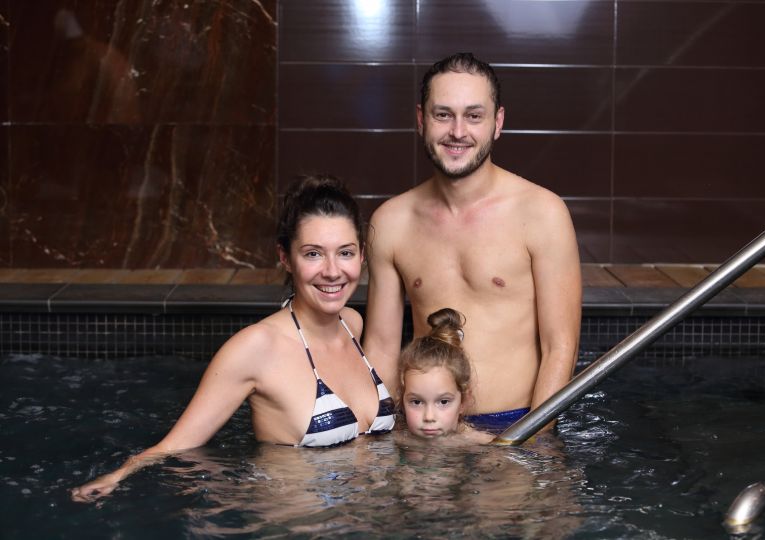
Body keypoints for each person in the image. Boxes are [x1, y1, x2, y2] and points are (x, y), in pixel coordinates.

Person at [71, 175, 395, 502]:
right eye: (313, 254)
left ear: (362, 256)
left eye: (345, 253)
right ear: (285, 257)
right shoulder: (255, 348)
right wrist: (120, 475)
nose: (332, 271)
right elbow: (177, 444)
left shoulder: (352, 324)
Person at [363, 52, 582, 432]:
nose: (458, 131)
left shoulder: (542, 213)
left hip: (516, 427)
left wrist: (526, 446)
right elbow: (381, 348)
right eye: (443, 114)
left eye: (474, 115)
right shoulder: (391, 222)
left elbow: (560, 347)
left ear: (497, 123)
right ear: (421, 119)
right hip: (424, 431)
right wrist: (374, 442)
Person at [398, 308, 492, 444]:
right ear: (402, 402)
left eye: (443, 402)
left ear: (463, 402)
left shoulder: (482, 444)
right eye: (416, 402)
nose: (429, 417)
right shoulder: (397, 440)